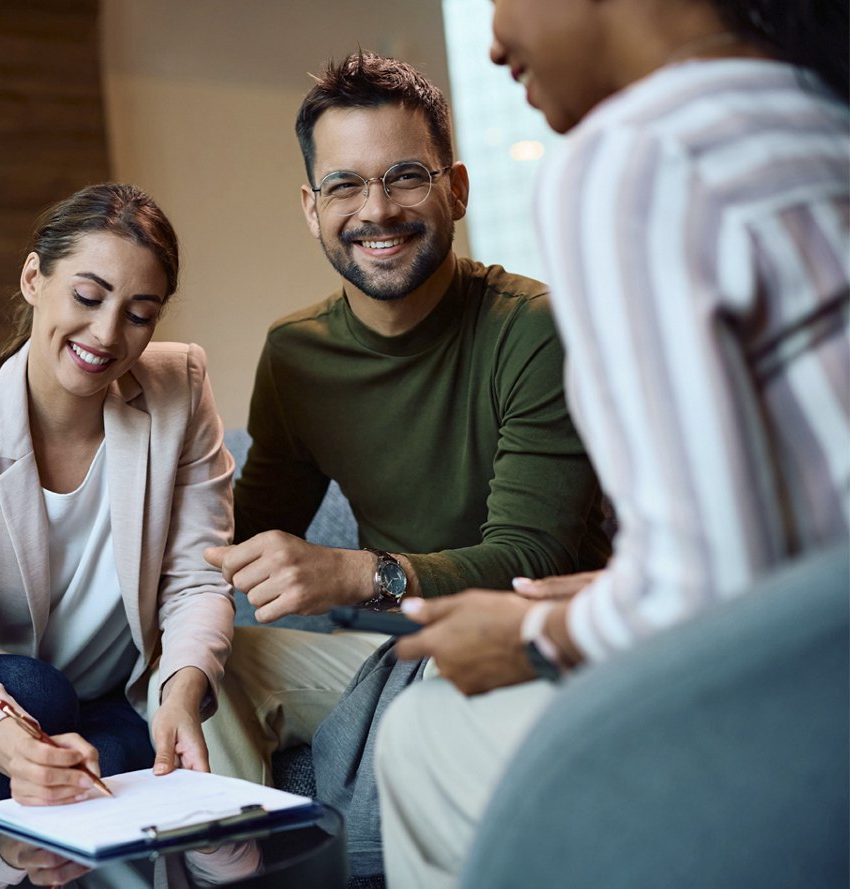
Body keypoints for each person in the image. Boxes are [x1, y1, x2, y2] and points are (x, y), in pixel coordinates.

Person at [375, 0, 850, 885]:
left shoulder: (635, 154)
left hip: (806, 724)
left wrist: (532, 632)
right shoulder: (817, 114)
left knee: (424, 735)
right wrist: (615, 589)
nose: (491, 40)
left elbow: (705, 592)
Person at [199, 51, 611, 875]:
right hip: (388, 651)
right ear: (311, 208)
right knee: (197, 665)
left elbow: (531, 560)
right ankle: (234, 867)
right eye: (345, 186)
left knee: (437, 699)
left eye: (405, 177)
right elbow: (243, 533)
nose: (376, 210)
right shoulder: (296, 354)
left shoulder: (532, 328)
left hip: (535, 646)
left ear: (456, 187)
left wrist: (359, 574)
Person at [0, 183, 237, 820]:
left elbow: (199, 578)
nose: (107, 333)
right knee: (37, 691)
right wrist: (13, 747)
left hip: (104, 704)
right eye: (88, 297)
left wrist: (181, 688)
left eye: (140, 314)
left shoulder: (182, 386)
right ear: (35, 276)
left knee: (110, 764)